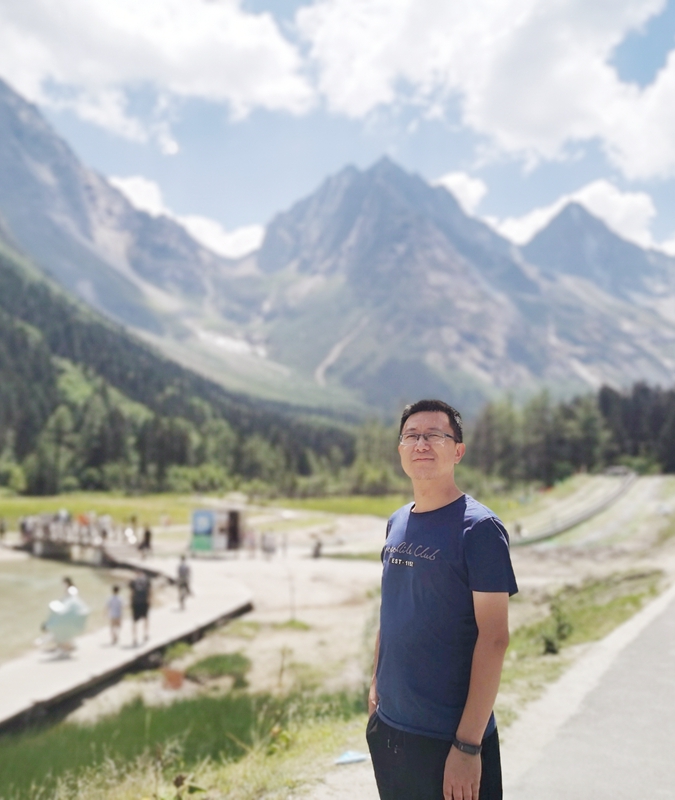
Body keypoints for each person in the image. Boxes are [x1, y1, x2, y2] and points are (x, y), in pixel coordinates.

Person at [366, 399, 518, 800]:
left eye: (435, 435)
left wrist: (468, 745)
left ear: (458, 451)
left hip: (448, 739)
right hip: (391, 729)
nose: (421, 444)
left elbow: (495, 639)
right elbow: (392, 611)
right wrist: (375, 686)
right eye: (411, 436)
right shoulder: (397, 521)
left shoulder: (480, 529)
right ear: (400, 449)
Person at [129, 570, 151, 646]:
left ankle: (134, 638)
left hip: (136, 602)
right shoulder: (146, 580)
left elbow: (132, 593)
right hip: (144, 601)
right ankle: (146, 634)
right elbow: (149, 591)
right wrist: (149, 600)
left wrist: (130, 602)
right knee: (146, 619)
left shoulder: (133, 581)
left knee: (134, 622)